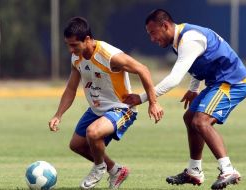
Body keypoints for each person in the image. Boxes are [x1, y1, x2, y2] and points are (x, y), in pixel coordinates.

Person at [123, 9, 246, 189]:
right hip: (218, 82)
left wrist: (143, 97)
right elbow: (202, 61)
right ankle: (194, 171)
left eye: (153, 33)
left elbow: (174, 79)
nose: (152, 39)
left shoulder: (189, 40)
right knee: (190, 118)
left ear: (165, 26)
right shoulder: (182, 38)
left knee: (201, 121)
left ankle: (228, 170)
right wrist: (193, 88)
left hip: (234, 82)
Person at [48, 17, 163, 190]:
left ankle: (99, 167)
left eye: (74, 45)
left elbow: (143, 69)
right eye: (68, 45)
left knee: (93, 133)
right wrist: (58, 114)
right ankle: (116, 171)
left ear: (87, 39)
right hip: (96, 110)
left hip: (122, 109)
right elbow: (71, 89)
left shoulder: (110, 56)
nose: (70, 50)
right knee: (77, 145)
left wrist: (153, 103)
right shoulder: (76, 58)